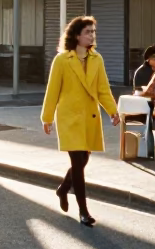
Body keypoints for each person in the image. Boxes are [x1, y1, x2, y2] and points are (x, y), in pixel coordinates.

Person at [41, 16, 120, 227]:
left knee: (83, 160)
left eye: (93, 31)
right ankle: (83, 211)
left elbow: (103, 89)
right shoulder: (62, 60)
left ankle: (63, 188)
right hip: (69, 117)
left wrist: (113, 111)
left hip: (90, 117)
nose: (92, 35)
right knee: (78, 163)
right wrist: (47, 117)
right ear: (76, 35)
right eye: (88, 32)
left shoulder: (97, 59)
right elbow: (52, 91)